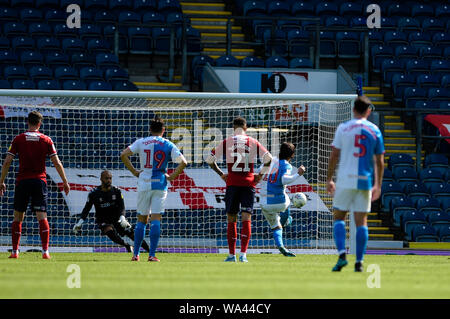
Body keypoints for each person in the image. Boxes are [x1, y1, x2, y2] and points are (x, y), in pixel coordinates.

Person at [0, 111, 70, 259]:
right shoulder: (46, 140)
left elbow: (7, 161)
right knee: (42, 216)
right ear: (40, 123)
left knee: (18, 217)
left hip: (22, 181)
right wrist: (65, 181)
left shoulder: (18, 139)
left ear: (28, 122)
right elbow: (57, 162)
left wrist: (1, 182)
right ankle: (45, 252)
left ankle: (14, 252)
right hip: (39, 181)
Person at [326, 96, 385, 272]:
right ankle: (359, 262)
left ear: (353, 109)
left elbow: (334, 155)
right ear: (368, 111)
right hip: (364, 181)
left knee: (338, 217)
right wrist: (378, 185)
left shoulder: (343, 128)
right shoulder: (375, 130)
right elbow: (380, 161)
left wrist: (329, 178)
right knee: (362, 222)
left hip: (345, 180)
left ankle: (342, 255)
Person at [120, 116, 187, 262]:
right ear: (163, 130)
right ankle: (151, 255)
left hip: (144, 182)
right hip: (160, 184)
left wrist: (134, 172)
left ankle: (136, 254)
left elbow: (123, 155)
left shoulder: (142, 142)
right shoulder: (168, 144)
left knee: (141, 220)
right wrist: (173, 176)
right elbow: (184, 162)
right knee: (156, 219)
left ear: (150, 129)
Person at [207, 117, 272, 263]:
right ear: (246, 128)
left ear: (233, 128)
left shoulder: (227, 141)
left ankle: (231, 255)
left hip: (232, 183)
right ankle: (243, 255)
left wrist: (221, 174)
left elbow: (210, 160)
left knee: (231, 219)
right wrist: (260, 175)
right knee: (246, 218)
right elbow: (269, 159)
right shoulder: (253, 142)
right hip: (249, 183)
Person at [72, 170, 150, 253]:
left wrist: (122, 217)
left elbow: (121, 206)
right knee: (109, 231)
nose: (109, 180)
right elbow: (86, 209)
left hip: (117, 217)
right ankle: (127, 245)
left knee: (133, 234)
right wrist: (80, 222)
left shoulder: (117, 191)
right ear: (101, 179)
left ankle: (150, 251)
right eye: (106, 178)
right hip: (103, 219)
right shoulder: (93, 193)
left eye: (110, 178)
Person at [258, 142, 306, 257]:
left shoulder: (270, 161)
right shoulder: (286, 165)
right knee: (288, 200)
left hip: (264, 202)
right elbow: (284, 180)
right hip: (280, 202)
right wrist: (298, 174)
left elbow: (259, 174)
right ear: (292, 155)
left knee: (275, 225)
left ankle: (281, 246)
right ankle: (287, 220)